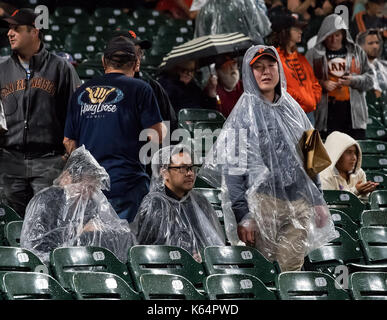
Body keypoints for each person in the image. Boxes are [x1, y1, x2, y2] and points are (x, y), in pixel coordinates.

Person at [199, 45, 337, 272]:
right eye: (259, 68)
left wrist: (318, 200)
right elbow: (234, 172)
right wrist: (243, 215)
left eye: (271, 65)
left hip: (299, 202)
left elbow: (313, 156)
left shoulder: (294, 109)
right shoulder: (243, 114)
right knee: (267, 274)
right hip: (262, 205)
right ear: (248, 73)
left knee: (291, 272)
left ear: (279, 69)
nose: (266, 72)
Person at [64, 36, 167, 223]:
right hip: (127, 184)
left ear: (104, 61)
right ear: (136, 63)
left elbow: (68, 142)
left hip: (89, 185)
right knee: (125, 243)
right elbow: (156, 135)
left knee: (93, 245)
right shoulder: (141, 89)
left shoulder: (81, 92)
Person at [0, 8, 81, 217]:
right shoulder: (2, 69)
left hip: (49, 161)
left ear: (34, 31)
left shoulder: (61, 68)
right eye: (9, 29)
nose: (9, 33)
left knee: (46, 224)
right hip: (11, 161)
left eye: (16, 29)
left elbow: (76, 117)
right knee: (13, 224)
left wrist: (68, 161)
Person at [20, 146, 136, 264]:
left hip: (84, 264)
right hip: (54, 268)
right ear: (67, 179)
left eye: (93, 188)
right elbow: (36, 251)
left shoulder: (91, 204)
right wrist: (81, 235)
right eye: (86, 186)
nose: (90, 193)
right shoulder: (45, 202)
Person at [131, 144, 225, 262]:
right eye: (182, 168)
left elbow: (213, 242)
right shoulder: (154, 204)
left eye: (191, 168)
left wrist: (204, 257)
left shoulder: (201, 202)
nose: (190, 173)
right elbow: (149, 250)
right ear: (164, 172)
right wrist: (184, 259)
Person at [305, 13, 374, 140]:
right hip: (325, 116)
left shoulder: (357, 52)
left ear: (343, 35)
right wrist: (321, 84)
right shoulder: (313, 55)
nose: (333, 40)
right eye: (329, 36)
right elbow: (303, 82)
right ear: (323, 36)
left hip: (354, 117)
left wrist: (354, 80)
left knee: (355, 155)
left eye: (337, 35)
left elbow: (370, 80)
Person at [112, 29, 178, 132]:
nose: (138, 57)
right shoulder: (100, 89)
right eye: (132, 52)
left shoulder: (152, 87)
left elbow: (171, 124)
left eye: (139, 52)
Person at [271, 12, 322, 124]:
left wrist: (313, 99)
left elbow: (315, 83)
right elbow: (280, 89)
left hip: (309, 114)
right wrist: (302, 101)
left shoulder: (301, 58)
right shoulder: (274, 58)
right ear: (285, 31)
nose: (300, 32)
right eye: (296, 29)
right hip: (289, 115)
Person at [320, 131, 378, 200]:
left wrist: (366, 193)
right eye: (349, 152)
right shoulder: (324, 176)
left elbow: (364, 203)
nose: (354, 158)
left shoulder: (359, 173)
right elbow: (332, 205)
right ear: (337, 154)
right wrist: (356, 191)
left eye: (355, 153)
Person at [356, 29, 387, 97]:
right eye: (371, 43)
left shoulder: (385, 66)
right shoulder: (354, 69)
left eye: (377, 42)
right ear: (360, 46)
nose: (375, 46)